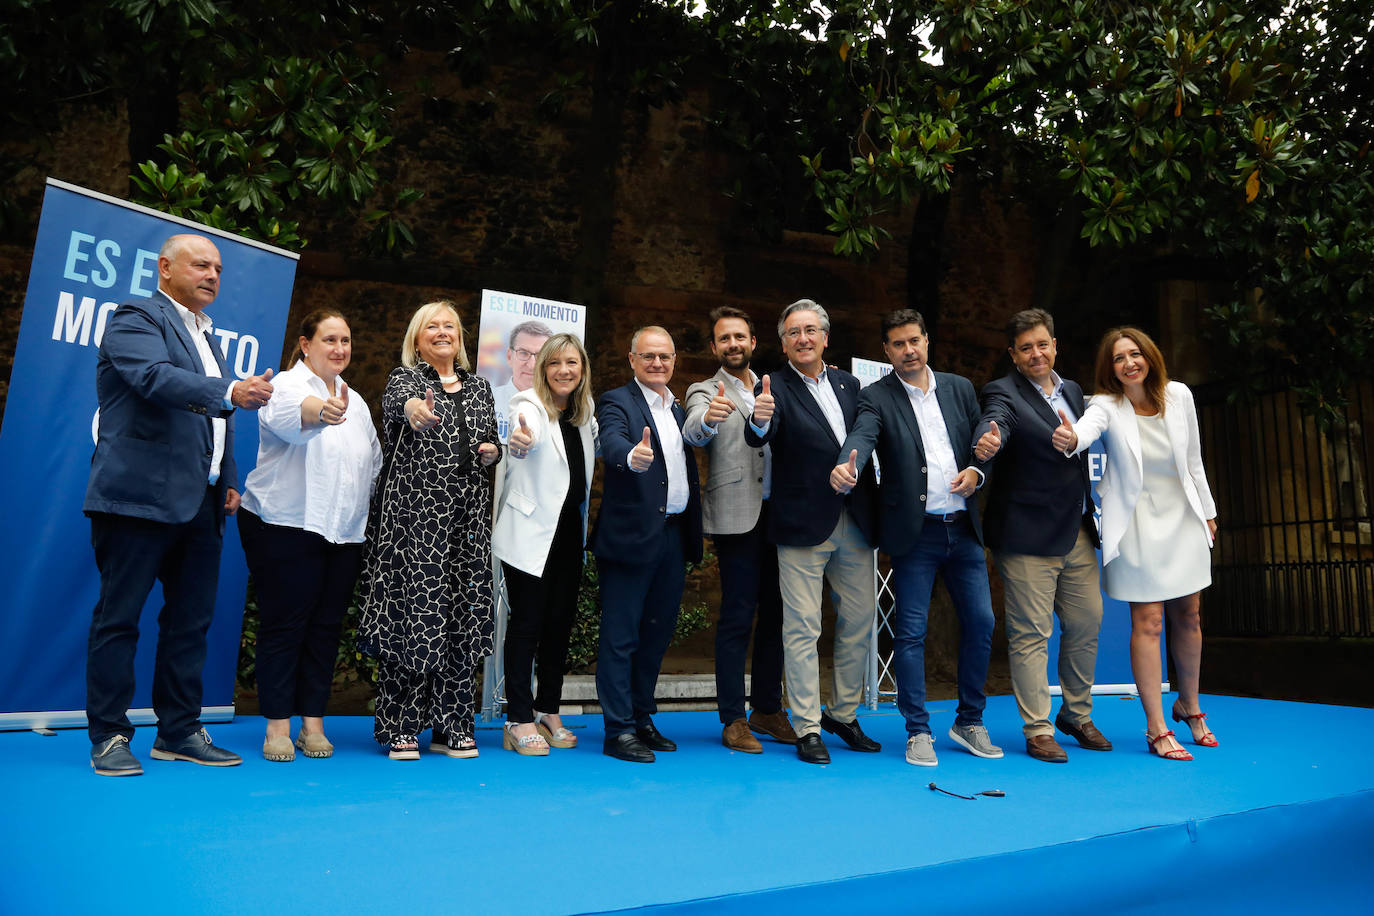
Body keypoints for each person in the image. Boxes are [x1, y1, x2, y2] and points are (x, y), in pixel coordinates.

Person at [84, 233, 275, 776]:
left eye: (218, 267)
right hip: (137, 499)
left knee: (190, 623)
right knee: (118, 620)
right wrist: (231, 391)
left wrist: (228, 475)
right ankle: (109, 737)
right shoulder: (135, 318)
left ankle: (179, 731)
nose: (213, 274)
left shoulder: (208, 337)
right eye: (200, 265)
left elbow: (216, 419)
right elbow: (154, 379)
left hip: (203, 502)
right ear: (165, 268)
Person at [831, 309, 999, 767]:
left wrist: (979, 469)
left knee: (982, 623)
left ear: (927, 341)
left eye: (915, 341)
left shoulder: (960, 387)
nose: (908, 350)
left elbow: (981, 437)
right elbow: (863, 436)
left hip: (963, 529)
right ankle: (917, 730)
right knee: (909, 634)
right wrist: (849, 463)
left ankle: (969, 721)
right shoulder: (876, 396)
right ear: (886, 351)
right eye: (898, 344)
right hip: (916, 534)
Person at [1052, 327, 1219, 761]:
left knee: (1190, 614)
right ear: (1110, 369)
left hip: (1184, 518)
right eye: (1118, 358)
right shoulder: (1106, 405)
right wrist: (1070, 438)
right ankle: (1157, 727)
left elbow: (1195, 461)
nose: (1129, 363)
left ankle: (1190, 705)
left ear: (1149, 356)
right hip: (1136, 527)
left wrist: (1208, 512)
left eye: (1135, 354)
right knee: (1148, 622)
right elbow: (1085, 432)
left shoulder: (1180, 395)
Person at [356, 301, 502, 760]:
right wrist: (415, 409)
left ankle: (452, 724)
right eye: (432, 327)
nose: (443, 333)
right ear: (417, 338)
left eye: (450, 327)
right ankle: (401, 724)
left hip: (468, 526)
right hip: (416, 525)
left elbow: (491, 444)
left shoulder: (480, 387)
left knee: (461, 617)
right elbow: (400, 407)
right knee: (414, 617)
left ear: (461, 337)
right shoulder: (407, 380)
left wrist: (491, 451)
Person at [237, 309, 382, 762]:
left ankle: (312, 724)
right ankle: (277, 726)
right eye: (329, 340)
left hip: (344, 534)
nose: (339, 349)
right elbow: (289, 418)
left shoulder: (356, 402)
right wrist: (321, 411)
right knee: (285, 626)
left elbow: (372, 466)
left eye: (346, 341)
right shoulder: (285, 384)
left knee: (325, 628)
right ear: (305, 344)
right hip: (284, 526)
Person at [971, 308, 1112, 763]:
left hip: (1076, 531)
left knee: (1087, 621)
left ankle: (1077, 714)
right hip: (1026, 533)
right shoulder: (1002, 392)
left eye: (1042, 344)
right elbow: (997, 420)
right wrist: (987, 439)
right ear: (1013, 355)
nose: (1036, 354)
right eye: (1026, 347)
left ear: (1056, 346)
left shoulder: (1072, 390)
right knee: (1031, 633)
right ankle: (1038, 729)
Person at [744, 299, 879, 765]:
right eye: (793, 332)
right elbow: (762, 432)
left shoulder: (850, 384)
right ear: (783, 344)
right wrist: (759, 416)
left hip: (855, 520)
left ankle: (842, 712)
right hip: (802, 523)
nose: (803, 338)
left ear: (825, 337)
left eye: (810, 330)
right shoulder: (774, 388)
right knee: (802, 627)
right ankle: (807, 726)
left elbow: (868, 435)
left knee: (860, 620)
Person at [683, 306, 795, 753]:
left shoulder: (775, 387)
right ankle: (732, 718)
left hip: (783, 515)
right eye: (724, 338)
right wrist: (708, 419)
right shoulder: (704, 389)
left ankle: (767, 710)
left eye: (740, 337)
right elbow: (693, 430)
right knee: (736, 616)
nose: (733, 344)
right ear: (715, 347)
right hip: (736, 515)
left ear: (753, 343)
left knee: (778, 614)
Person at [592, 326, 703, 763]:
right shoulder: (617, 400)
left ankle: (641, 717)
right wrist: (630, 457)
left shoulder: (675, 407)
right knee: (621, 637)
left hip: (673, 536)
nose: (658, 363)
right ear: (632, 359)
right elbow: (614, 439)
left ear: (674, 360)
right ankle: (617, 731)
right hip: (630, 538)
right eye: (649, 356)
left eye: (665, 356)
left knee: (655, 635)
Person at [492, 333, 599, 755]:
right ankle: (518, 718)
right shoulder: (527, 405)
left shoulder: (583, 413)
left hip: (570, 534)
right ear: (542, 368)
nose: (564, 370)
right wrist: (520, 442)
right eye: (555, 363)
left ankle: (548, 710)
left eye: (572, 363)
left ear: (582, 370)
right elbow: (525, 437)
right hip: (531, 533)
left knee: (559, 625)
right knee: (527, 625)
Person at [492, 320, 553, 440]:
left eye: (540, 356)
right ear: (509, 357)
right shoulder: (486, 399)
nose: (531, 365)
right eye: (524, 353)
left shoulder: (559, 407)